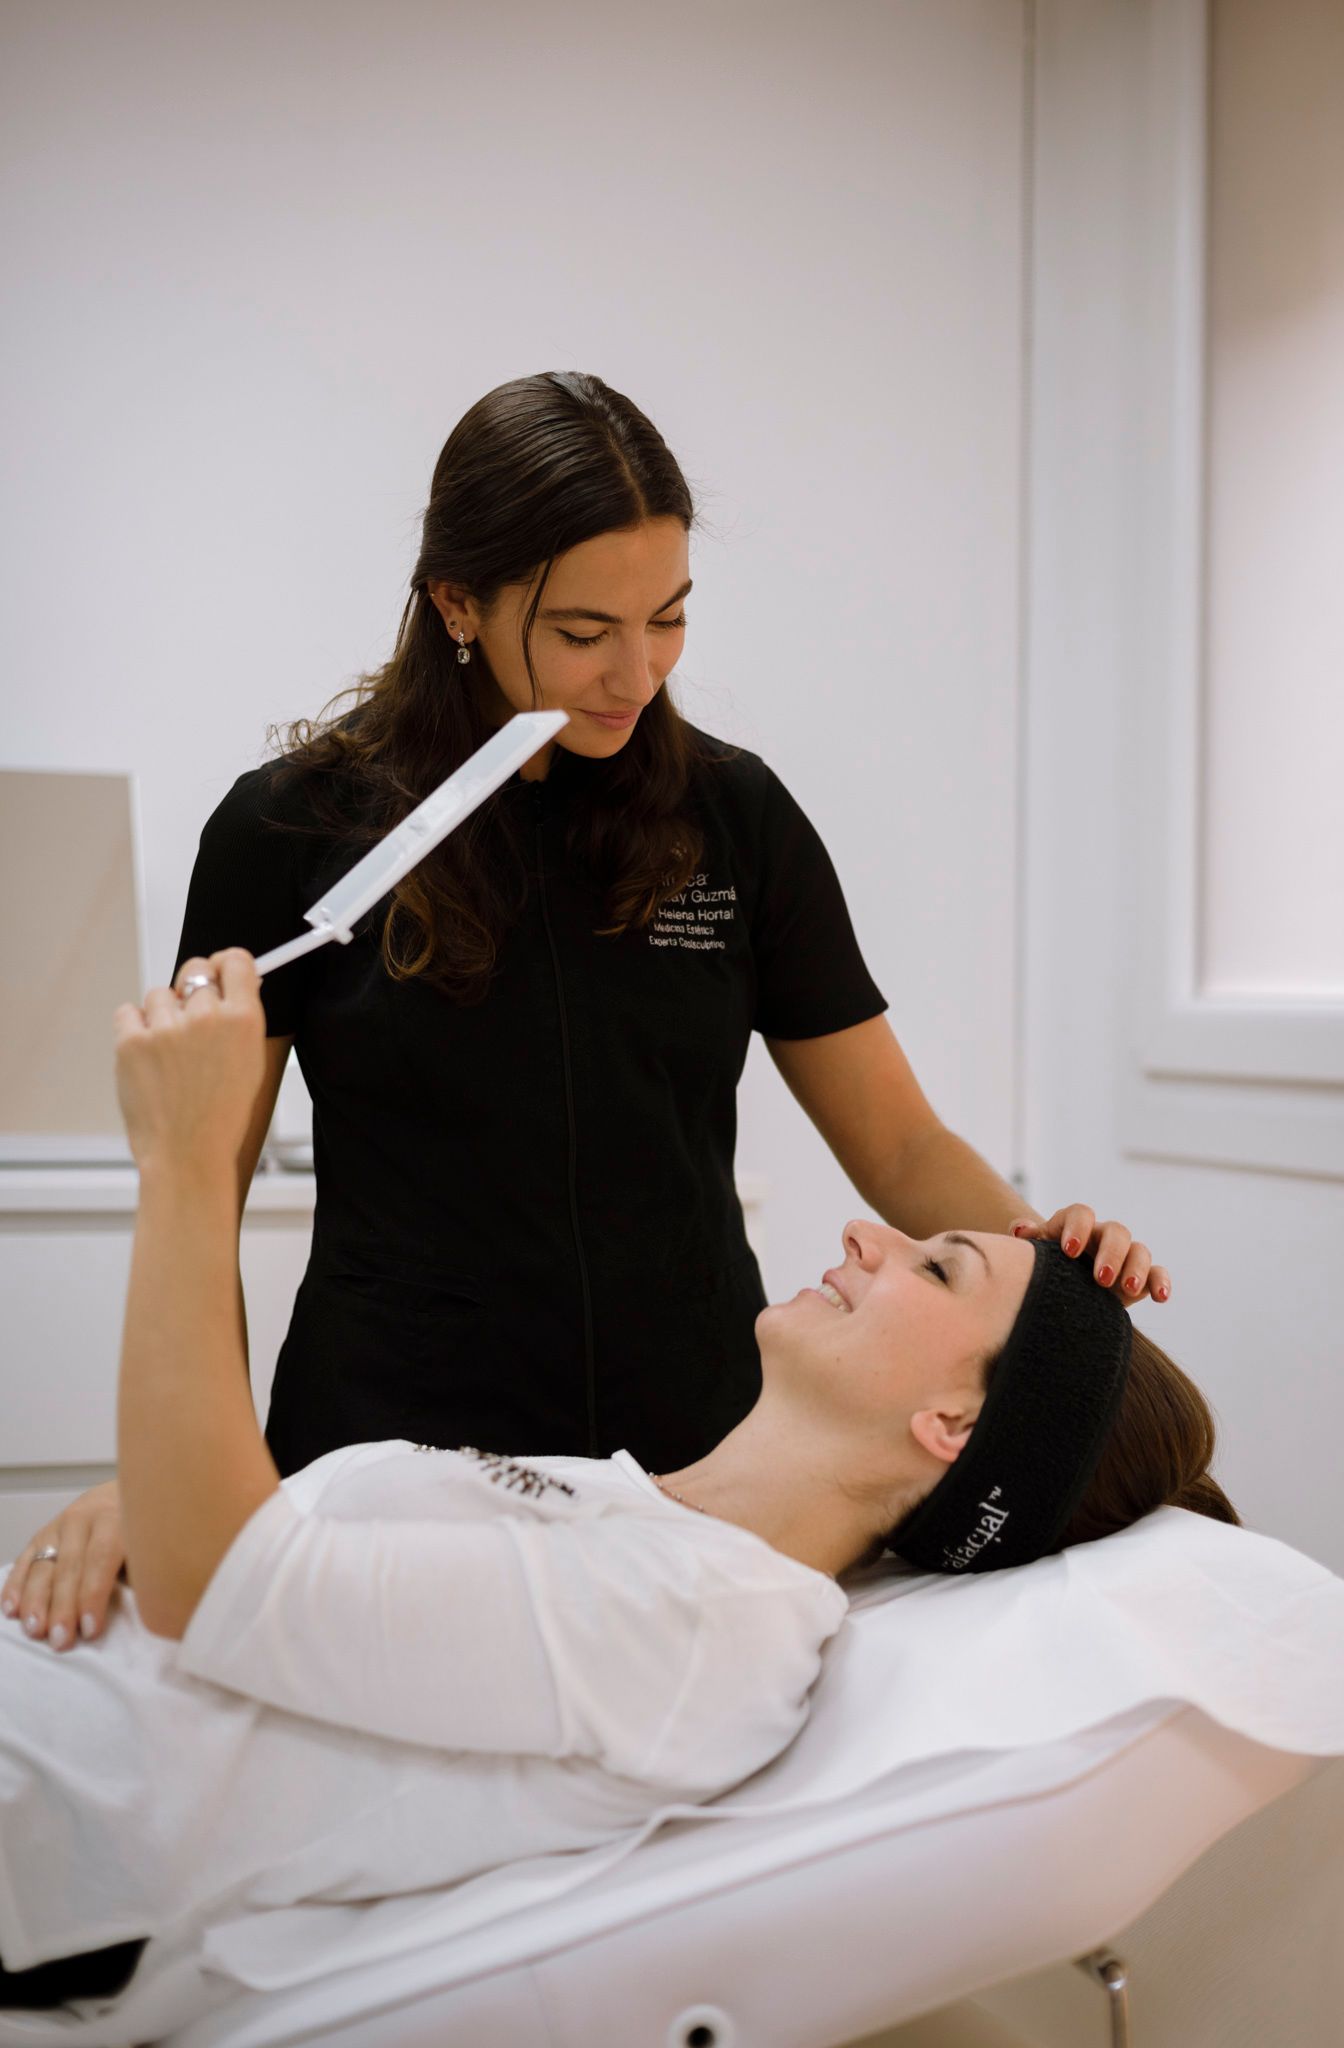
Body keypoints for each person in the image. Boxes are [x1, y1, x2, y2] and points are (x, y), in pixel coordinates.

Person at [5, 367, 1175, 1651]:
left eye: (669, 617)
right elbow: (196, 1194)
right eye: (581, 631)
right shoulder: (290, 834)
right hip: (383, 1460)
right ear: (458, 600)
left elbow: (896, 1145)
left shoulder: (736, 822)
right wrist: (168, 1474)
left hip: (693, 1466)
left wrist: (1036, 1272)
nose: (637, 672)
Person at [0, 952, 1234, 2017]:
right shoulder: (630, 1504)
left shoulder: (713, 1627)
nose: (870, 1234)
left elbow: (214, 1585)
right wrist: (169, 1494)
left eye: (936, 1265)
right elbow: (257, 1561)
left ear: (951, 1424)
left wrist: (183, 1160)